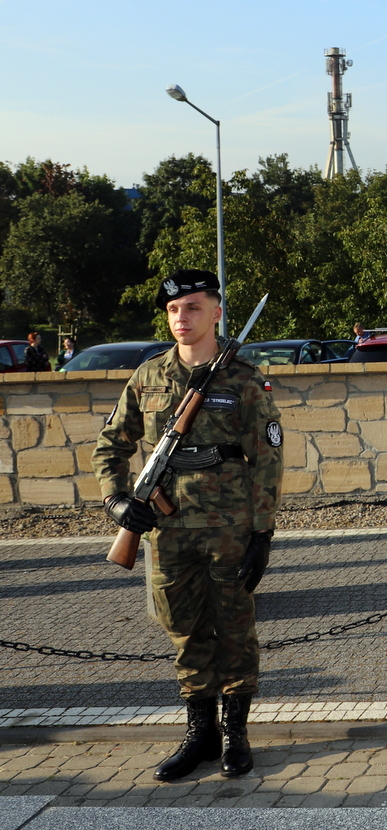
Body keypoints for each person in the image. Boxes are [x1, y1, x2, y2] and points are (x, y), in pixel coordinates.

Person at [92, 269, 283, 782]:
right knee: (184, 631)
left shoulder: (242, 378)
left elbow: (267, 459)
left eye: (194, 307)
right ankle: (200, 733)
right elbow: (111, 443)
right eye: (175, 310)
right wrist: (116, 503)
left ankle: (236, 735)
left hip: (229, 526)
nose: (182, 318)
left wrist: (262, 533)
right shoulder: (149, 376)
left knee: (235, 630)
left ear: (217, 312)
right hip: (166, 528)